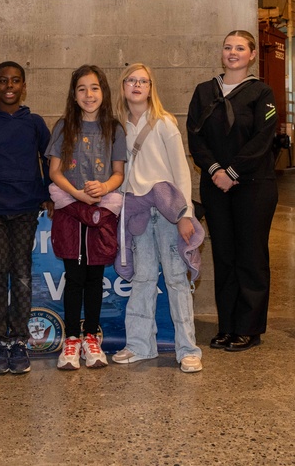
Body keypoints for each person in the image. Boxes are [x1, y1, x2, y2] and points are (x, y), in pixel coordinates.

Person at [187, 32, 278, 353]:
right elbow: (195, 138)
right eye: (227, 47)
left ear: (252, 54)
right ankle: (227, 326)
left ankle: (249, 328)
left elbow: (263, 137)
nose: (233, 52)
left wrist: (234, 172)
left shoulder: (262, 92)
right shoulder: (203, 92)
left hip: (253, 187)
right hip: (215, 187)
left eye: (240, 48)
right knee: (224, 256)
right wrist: (215, 171)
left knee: (250, 256)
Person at [113, 63, 203, 373]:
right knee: (143, 279)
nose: (137, 85)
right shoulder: (117, 127)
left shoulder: (165, 123)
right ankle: (140, 345)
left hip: (167, 214)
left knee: (177, 279)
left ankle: (188, 349)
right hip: (136, 213)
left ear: (151, 88)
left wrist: (185, 214)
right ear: (123, 86)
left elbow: (182, 170)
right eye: (131, 80)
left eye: (143, 81)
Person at [0, 61, 52, 375]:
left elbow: (49, 160)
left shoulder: (34, 123)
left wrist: (47, 194)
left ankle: (18, 341)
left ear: (23, 86)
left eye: (15, 81)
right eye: (3, 80)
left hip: (26, 209)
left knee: (20, 274)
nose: (9, 85)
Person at [46, 65, 126, 371]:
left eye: (94, 88)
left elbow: (119, 173)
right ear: (73, 94)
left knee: (95, 277)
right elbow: (54, 172)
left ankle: (92, 338)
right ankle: (72, 340)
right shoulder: (64, 126)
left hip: (101, 208)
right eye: (81, 88)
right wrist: (77, 194)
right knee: (74, 277)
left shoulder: (114, 128)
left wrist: (104, 186)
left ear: (103, 92)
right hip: (70, 208)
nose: (88, 94)